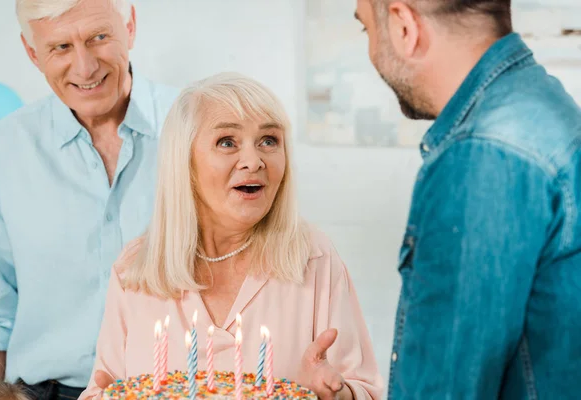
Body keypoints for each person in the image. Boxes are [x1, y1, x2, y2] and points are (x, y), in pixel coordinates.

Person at [78, 72, 384, 400]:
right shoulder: (134, 268)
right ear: (185, 162)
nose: (254, 161)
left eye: (269, 140)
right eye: (227, 142)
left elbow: (365, 390)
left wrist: (336, 395)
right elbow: (102, 389)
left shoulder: (313, 257)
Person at [354, 0, 581, 398]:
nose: (371, 51)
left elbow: (444, 389)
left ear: (403, 26)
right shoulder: (543, 101)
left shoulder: (482, 154)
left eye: (366, 30)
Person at [0, 0, 179, 398]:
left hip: (176, 389)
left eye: (99, 37)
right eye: (60, 47)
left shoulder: (199, 127)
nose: (85, 68)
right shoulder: (2, 149)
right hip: (39, 391)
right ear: (32, 52)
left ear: (131, 27)